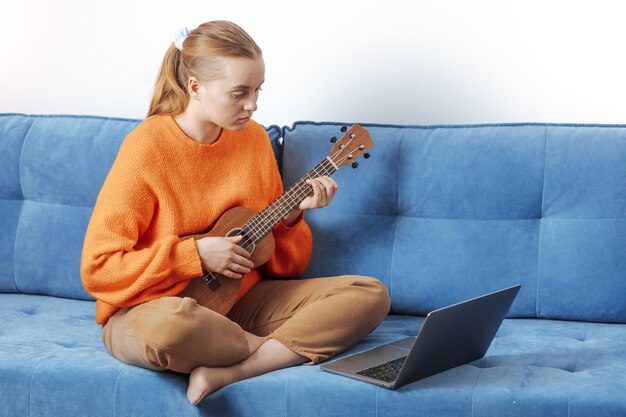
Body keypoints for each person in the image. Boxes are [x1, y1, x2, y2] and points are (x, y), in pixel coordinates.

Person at [80, 20, 390, 405]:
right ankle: (276, 350)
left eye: (258, 90)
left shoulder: (254, 140)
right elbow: (98, 268)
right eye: (239, 93)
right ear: (195, 87)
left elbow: (284, 268)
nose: (253, 105)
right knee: (172, 329)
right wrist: (194, 256)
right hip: (151, 309)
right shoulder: (146, 148)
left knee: (368, 294)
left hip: (237, 304)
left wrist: (292, 217)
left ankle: (236, 369)